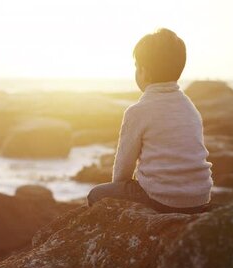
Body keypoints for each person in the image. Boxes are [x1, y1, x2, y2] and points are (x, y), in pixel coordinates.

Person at [87, 28, 213, 214]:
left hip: (163, 198)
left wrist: (117, 192)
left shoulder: (138, 111)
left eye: (137, 66)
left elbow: (123, 169)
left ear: (144, 72)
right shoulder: (189, 108)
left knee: (96, 195)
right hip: (199, 197)